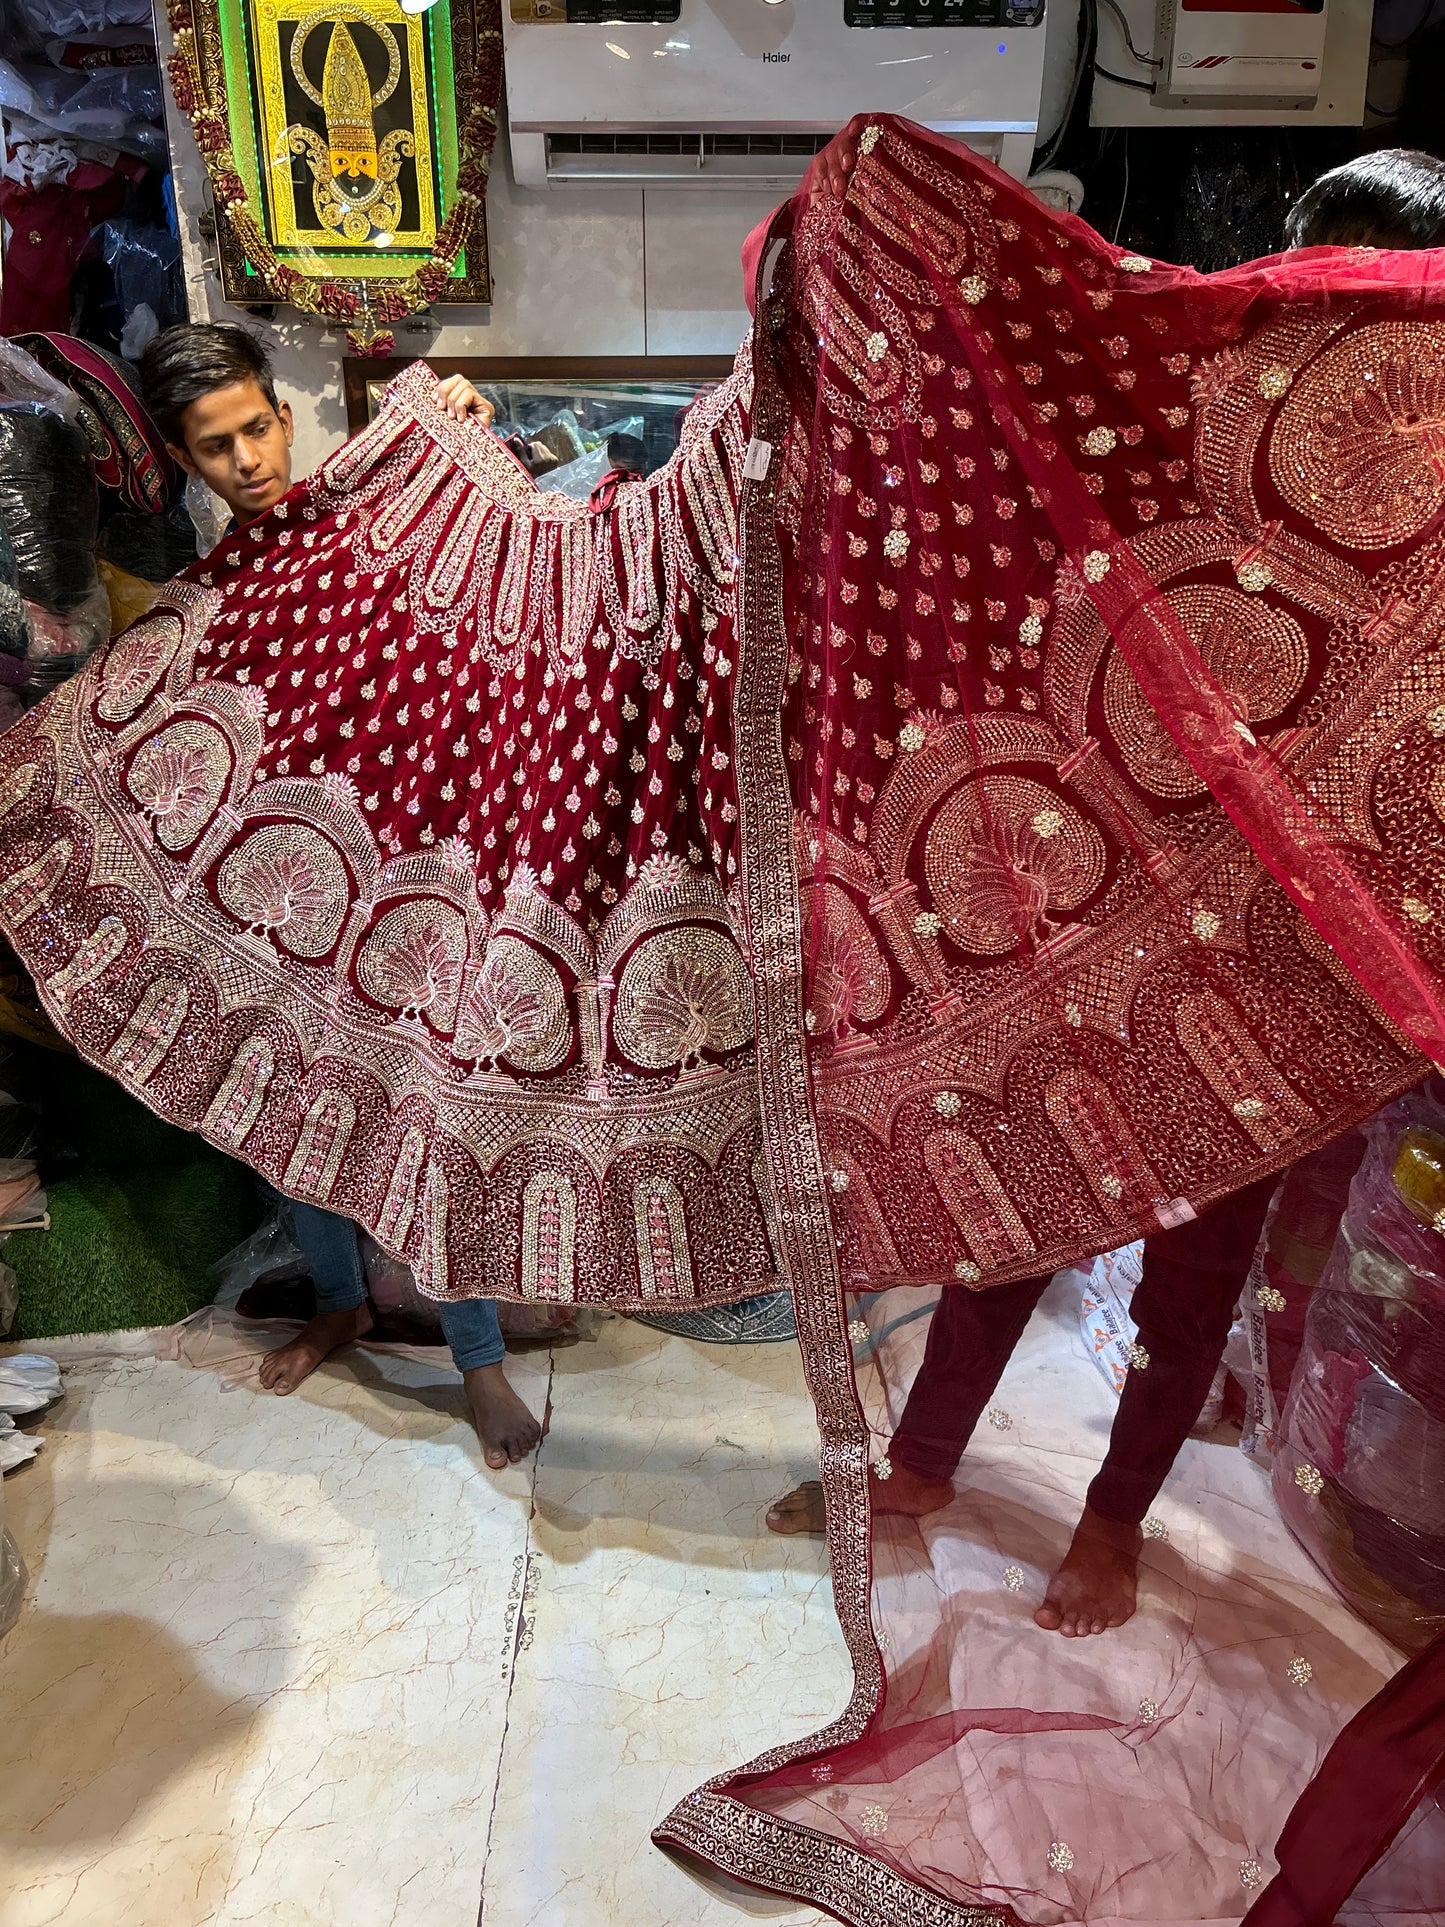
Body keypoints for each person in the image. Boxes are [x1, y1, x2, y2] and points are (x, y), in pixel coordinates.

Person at [765, 143, 1445, 1639]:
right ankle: (925, 1457)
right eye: (1303, 282)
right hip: (1110, 894)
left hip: (1292, 956)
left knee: (1192, 1272)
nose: (1320, 321)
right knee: (1021, 1195)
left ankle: (1113, 1520)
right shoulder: (1201, 424)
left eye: (1366, 301)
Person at [136, 321, 543, 1472]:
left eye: (256, 428)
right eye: (215, 446)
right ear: (185, 459)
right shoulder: (213, 596)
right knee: (285, 1116)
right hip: (281, 892)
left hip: (410, 874)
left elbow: (501, 559)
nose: (247, 460)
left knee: (426, 1120)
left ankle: (478, 1361)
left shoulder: (367, 522)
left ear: (283, 414)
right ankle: (339, 1301)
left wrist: (475, 441)